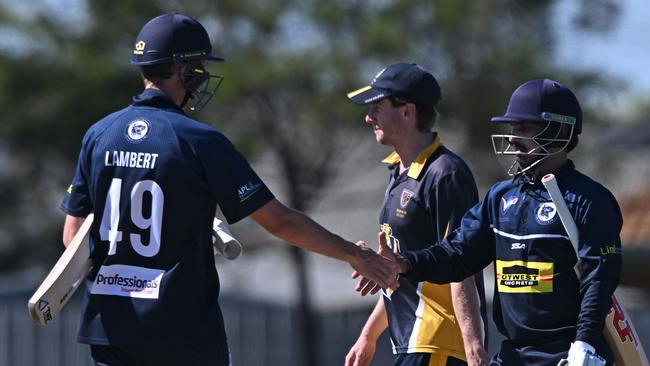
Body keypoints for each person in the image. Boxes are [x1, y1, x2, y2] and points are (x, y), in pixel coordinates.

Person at [59, 13, 399, 366]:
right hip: (180, 327)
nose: (202, 77)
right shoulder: (199, 141)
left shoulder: (98, 135)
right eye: (199, 67)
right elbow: (279, 221)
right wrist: (354, 255)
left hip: (110, 325)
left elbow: (73, 236)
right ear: (183, 70)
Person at [356, 79, 622, 366]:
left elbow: (599, 278)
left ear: (558, 130)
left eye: (522, 128)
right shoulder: (500, 197)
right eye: (511, 129)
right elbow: (457, 255)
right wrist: (405, 263)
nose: (510, 137)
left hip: (567, 354)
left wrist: (584, 343)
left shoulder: (590, 199)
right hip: (513, 354)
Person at [344, 63, 489, 366]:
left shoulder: (445, 173)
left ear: (408, 112)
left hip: (439, 343)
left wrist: (473, 347)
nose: (368, 117)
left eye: (378, 107)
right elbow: (404, 273)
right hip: (413, 342)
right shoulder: (398, 171)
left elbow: (461, 265)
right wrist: (369, 335)